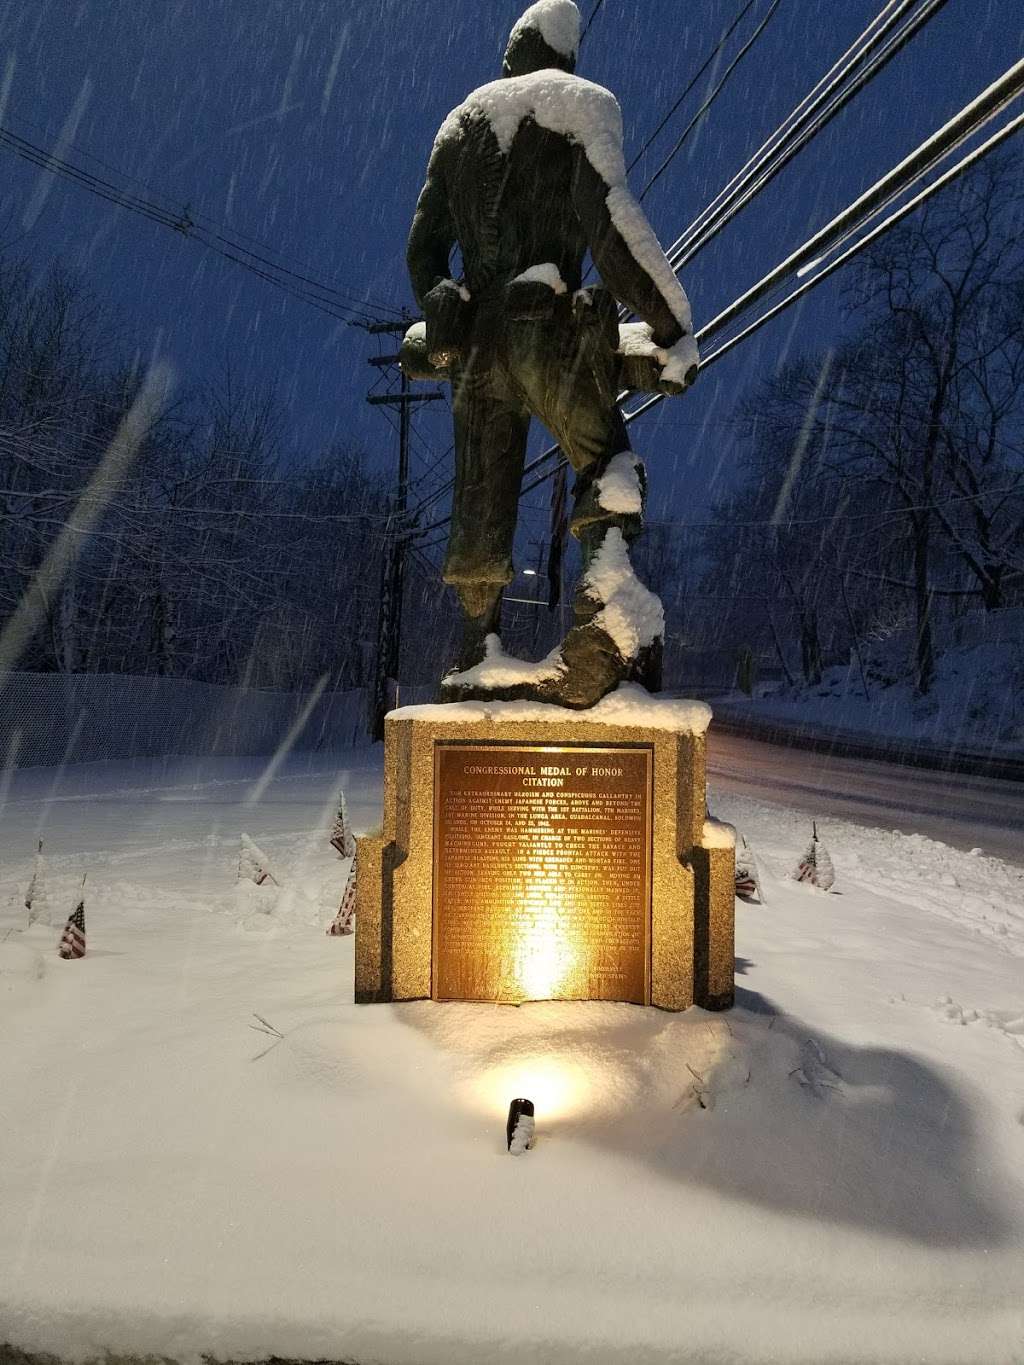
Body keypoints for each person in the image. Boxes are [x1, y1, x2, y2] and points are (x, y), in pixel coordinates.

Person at [406, 0, 697, 706]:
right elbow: (612, 228)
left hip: (478, 347)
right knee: (607, 462)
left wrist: (441, 296)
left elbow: (422, 249)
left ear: (513, 54)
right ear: (565, 59)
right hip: (544, 332)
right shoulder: (580, 107)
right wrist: (670, 320)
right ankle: (606, 611)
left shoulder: (460, 125)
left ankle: (478, 649)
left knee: (480, 501)